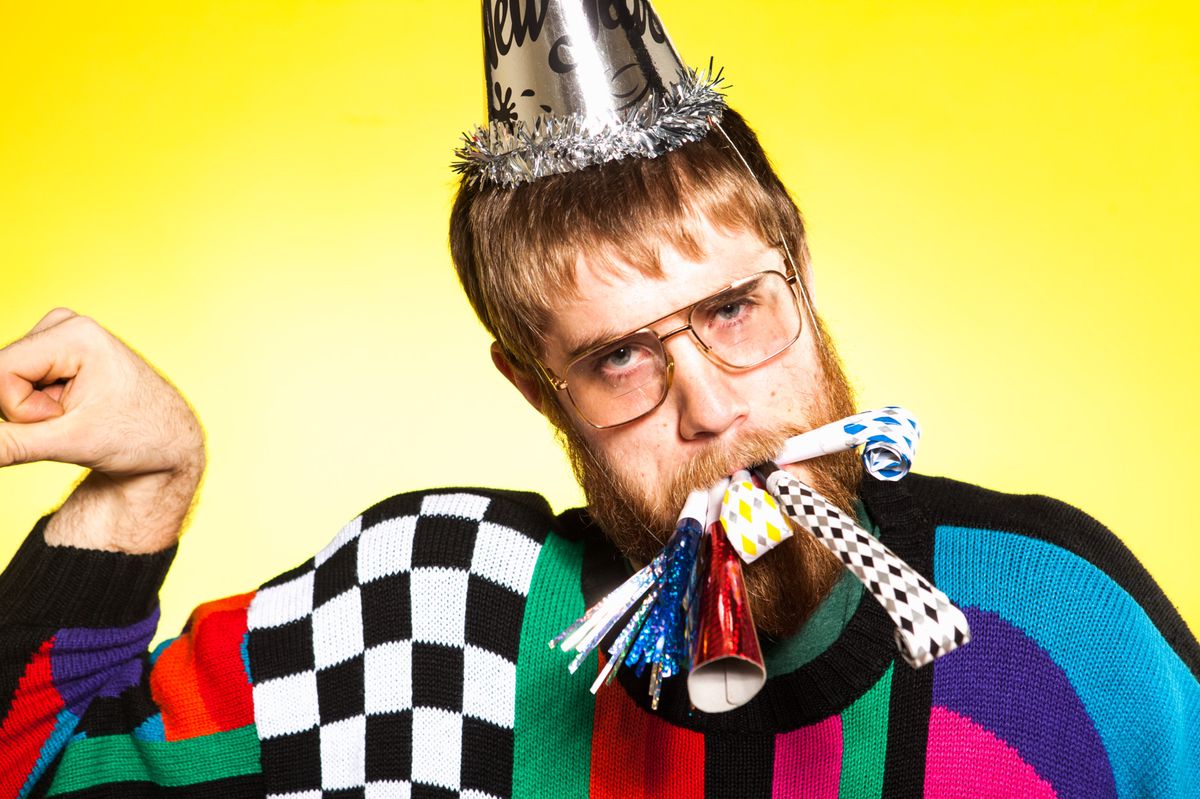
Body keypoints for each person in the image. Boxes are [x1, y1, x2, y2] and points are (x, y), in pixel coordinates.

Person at [1, 2, 1197, 797]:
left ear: (801, 277)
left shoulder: (1054, 617)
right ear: (539, 391)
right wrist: (142, 484)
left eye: (735, 309)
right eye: (621, 356)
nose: (713, 408)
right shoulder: (438, 618)